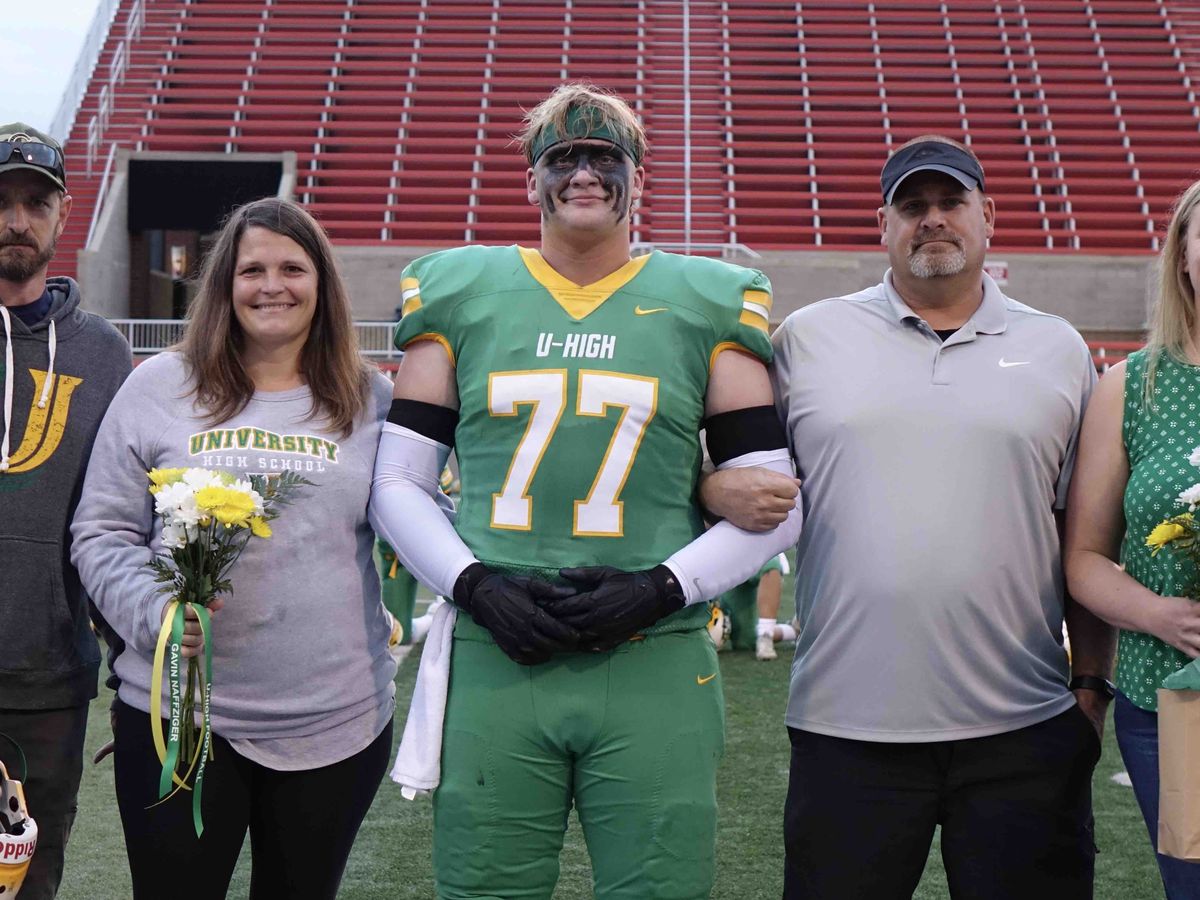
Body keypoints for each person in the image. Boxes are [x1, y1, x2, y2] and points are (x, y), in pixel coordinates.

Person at [370, 82, 802, 899]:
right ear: (531, 178)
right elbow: (397, 479)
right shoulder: (459, 289)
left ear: (638, 178)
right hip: (498, 651)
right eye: (562, 158)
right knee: (485, 890)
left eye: (606, 158)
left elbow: (776, 501)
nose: (583, 174)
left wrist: (661, 587)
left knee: (661, 889)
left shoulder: (707, 297)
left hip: (654, 653)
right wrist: (474, 585)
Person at [704, 135, 1115, 899]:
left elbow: (1083, 534)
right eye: (912, 205)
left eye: (951, 201)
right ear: (883, 224)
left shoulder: (1057, 347)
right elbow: (728, 468)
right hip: (845, 724)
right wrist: (710, 486)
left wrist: (1091, 684)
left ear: (987, 216)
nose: (933, 219)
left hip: (1022, 723)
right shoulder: (807, 339)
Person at [70, 198, 396, 900]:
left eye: (292, 268)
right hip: (178, 717)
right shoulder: (158, 385)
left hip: (334, 722)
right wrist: (157, 615)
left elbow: (413, 513)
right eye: (252, 270)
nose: (272, 285)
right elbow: (100, 531)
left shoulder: (371, 397)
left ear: (322, 283)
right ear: (225, 283)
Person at [0, 122, 131, 900]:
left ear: (64, 214)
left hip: (47, 677)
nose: (17, 221)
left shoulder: (103, 354)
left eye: (35, 203)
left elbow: (119, 521)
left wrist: (135, 668)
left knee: (27, 880)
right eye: (1, 202)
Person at [1064, 179, 1200, 897]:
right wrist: (1161, 615)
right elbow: (1084, 558)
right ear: (1183, 255)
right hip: (1172, 700)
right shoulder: (1132, 386)